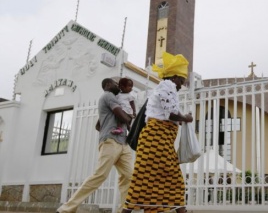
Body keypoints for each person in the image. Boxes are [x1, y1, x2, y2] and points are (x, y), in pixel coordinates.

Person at [122, 52, 193, 213]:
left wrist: (181, 119)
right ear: (174, 77)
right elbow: (171, 114)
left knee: (147, 180)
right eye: (181, 81)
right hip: (156, 141)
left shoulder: (168, 89)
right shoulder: (167, 86)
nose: (181, 85)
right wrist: (186, 118)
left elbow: (169, 115)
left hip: (160, 142)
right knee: (165, 179)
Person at [57, 78, 133, 213]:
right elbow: (120, 114)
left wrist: (108, 126)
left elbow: (98, 125)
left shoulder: (113, 99)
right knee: (100, 175)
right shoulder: (108, 95)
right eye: (115, 83)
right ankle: (65, 209)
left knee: (129, 177)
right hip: (111, 141)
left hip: (122, 142)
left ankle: (123, 210)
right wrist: (128, 119)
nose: (118, 85)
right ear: (108, 85)